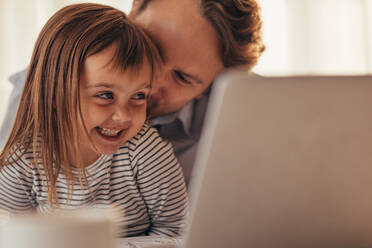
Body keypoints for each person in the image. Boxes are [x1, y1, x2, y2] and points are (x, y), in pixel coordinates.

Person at [0, 0, 265, 186]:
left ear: (212, 87)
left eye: (182, 78)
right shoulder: (44, 90)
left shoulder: (249, 115)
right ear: (135, 7)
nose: (150, 81)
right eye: (152, 46)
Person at [0, 3, 187, 238]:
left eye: (138, 96)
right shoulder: (23, 160)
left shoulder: (145, 152)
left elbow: (178, 232)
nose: (124, 116)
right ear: (54, 94)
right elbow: (10, 236)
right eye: (105, 95)